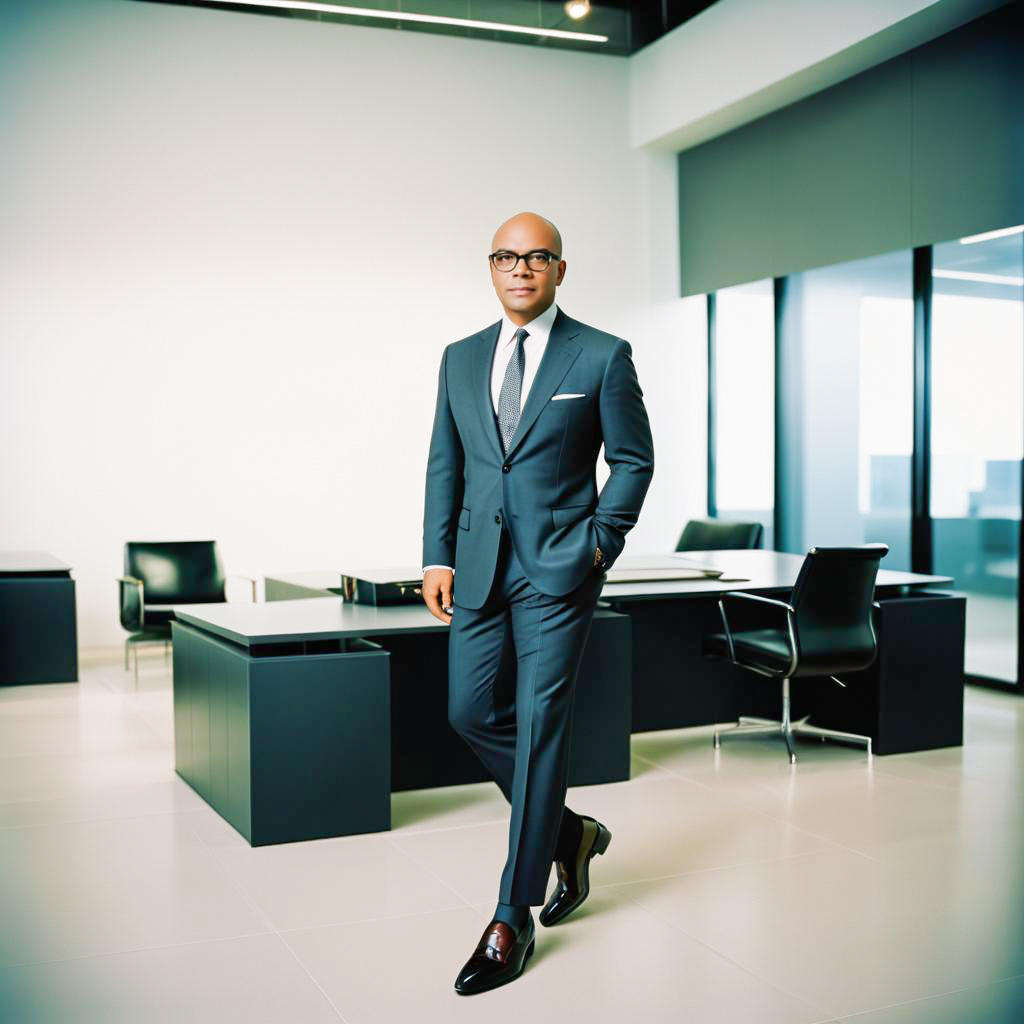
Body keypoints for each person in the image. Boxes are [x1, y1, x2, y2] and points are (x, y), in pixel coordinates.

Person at [421, 211, 654, 995]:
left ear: (559, 268)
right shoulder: (458, 359)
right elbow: (444, 465)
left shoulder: (602, 354)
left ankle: (509, 914)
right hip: (479, 568)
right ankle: (572, 833)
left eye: (537, 257)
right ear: (491, 267)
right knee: (467, 710)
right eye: (506, 257)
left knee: (541, 724)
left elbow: (632, 460)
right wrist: (436, 555)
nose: (521, 269)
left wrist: (599, 542)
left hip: (561, 570)